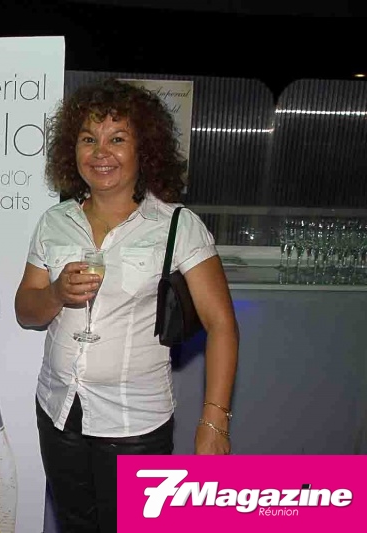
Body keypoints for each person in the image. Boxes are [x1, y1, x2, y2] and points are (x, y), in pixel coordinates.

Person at [14, 78, 238, 531]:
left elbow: (222, 325)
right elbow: (25, 309)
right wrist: (55, 293)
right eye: (88, 139)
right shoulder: (54, 222)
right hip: (58, 411)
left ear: (144, 149)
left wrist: (214, 422)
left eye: (117, 139)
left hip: (135, 422)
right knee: (74, 524)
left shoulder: (177, 226)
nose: (101, 153)